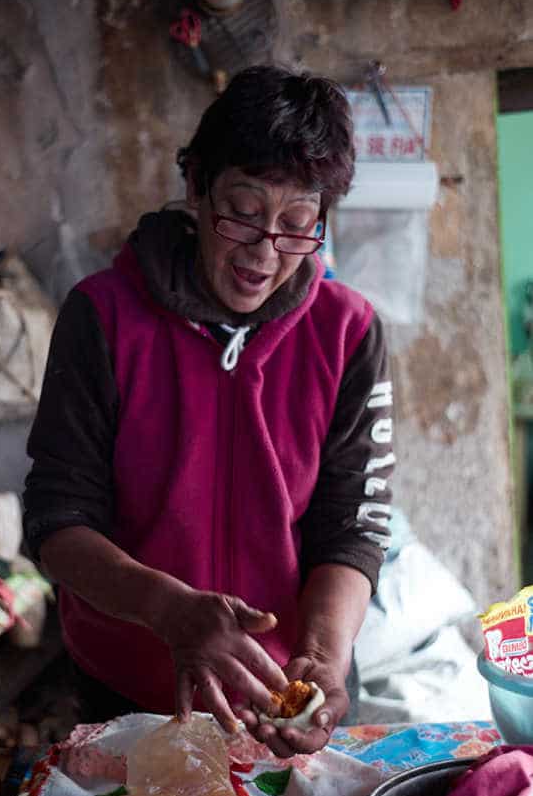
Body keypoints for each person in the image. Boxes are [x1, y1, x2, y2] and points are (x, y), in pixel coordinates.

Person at [23, 64, 393, 757]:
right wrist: (170, 613)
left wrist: (323, 653)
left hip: (280, 685)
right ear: (195, 187)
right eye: (244, 212)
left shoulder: (348, 333)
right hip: (127, 687)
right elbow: (56, 521)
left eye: (296, 224)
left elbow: (353, 521)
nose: (264, 251)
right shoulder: (102, 316)